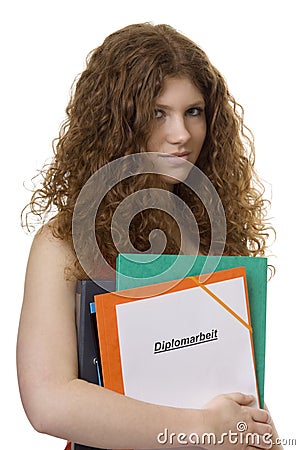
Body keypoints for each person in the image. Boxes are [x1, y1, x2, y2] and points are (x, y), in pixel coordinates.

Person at [17, 23, 283, 449]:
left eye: (193, 111)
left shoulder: (218, 233)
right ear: (116, 123)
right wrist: (202, 430)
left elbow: (228, 384)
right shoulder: (63, 242)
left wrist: (252, 429)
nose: (181, 134)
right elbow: (48, 401)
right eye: (158, 113)